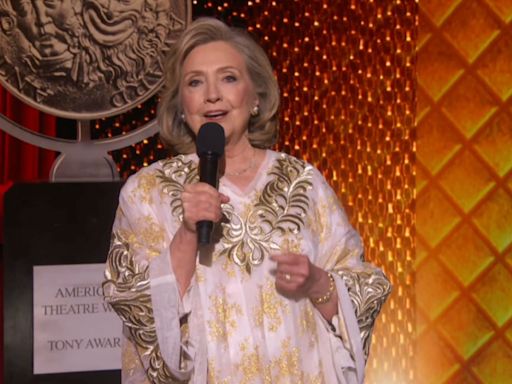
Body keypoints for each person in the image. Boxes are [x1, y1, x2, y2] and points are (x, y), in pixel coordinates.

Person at [103, 17, 390, 384]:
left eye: (228, 78)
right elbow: (134, 303)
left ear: (255, 96)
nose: (211, 95)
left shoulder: (303, 182)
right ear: (181, 104)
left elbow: (361, 289)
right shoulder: (146, 192)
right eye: (195, 82)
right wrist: (188, 234)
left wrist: (318, 283)